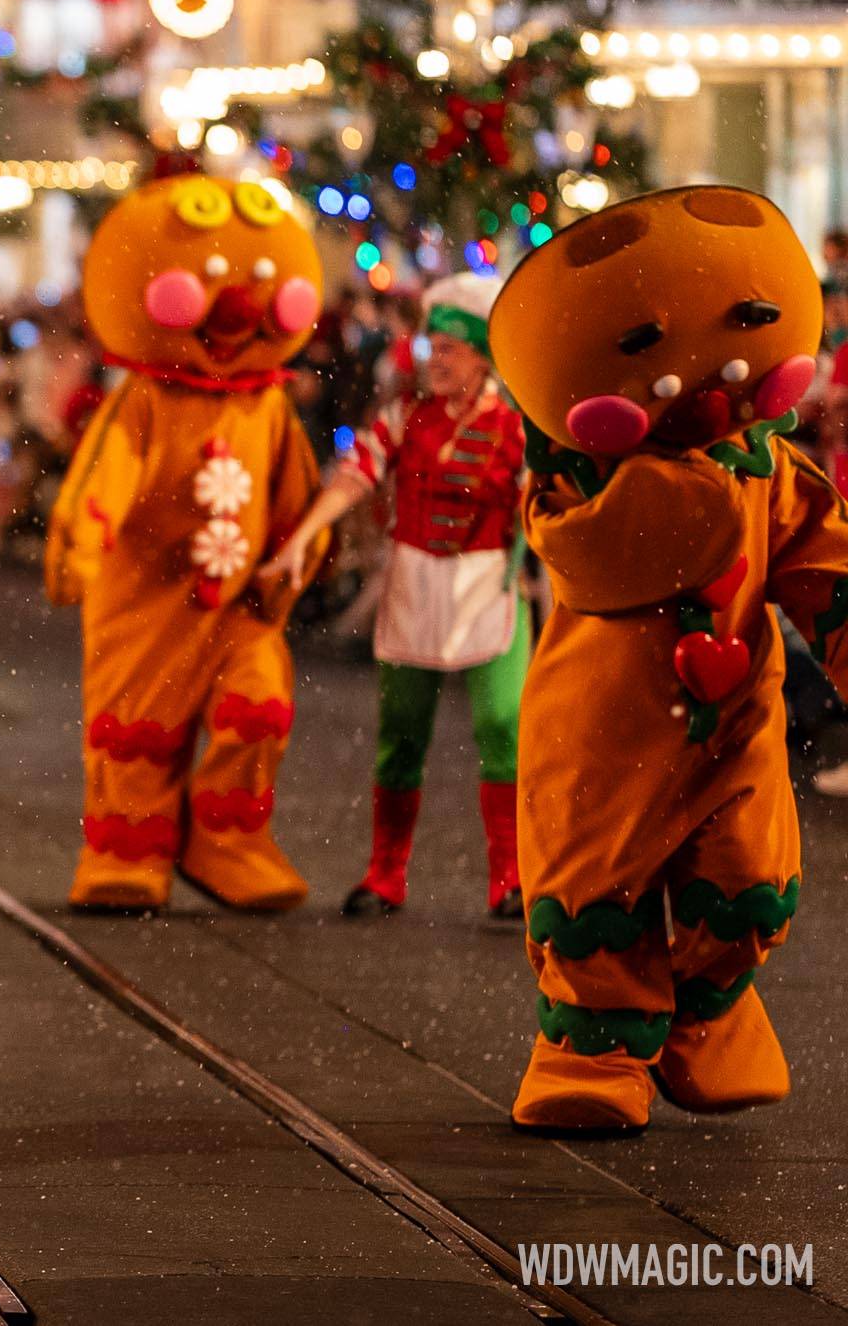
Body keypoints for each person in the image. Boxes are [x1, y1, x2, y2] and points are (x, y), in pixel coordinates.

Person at [488, 186, 843, 1133]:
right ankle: (593, 1049)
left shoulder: (769, 466)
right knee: (595, 886)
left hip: (738, 726)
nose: (712, 379)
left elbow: (826, 568)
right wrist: (678, 486)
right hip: (605, 731)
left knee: (748, 879)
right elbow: (592, 556)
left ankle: (708, 1013)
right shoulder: (571, 484)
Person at [42, 175, 329, 914]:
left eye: (260, 284)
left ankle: (229, 838)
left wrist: (300, 554)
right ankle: (126, 847)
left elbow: (296, 494)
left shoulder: (267, 404)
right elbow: (104, 481)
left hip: (240, 606)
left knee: (259, 707)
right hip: (148, 603)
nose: (239, 307)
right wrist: (81, 544)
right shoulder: (142, 401)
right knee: (138, 730)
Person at [264, 274, 529, 919]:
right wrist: (305, 534)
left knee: (503, 726)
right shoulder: (403, 419)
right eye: (432, 347)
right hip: (413, 585)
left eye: (451, 350)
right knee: (401, 736)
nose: (435, 360)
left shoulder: (520, 429)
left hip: (488, 588)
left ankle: (512, 879)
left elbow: (549, 501)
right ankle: (385, 875)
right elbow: (354, 477)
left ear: (482, 357)